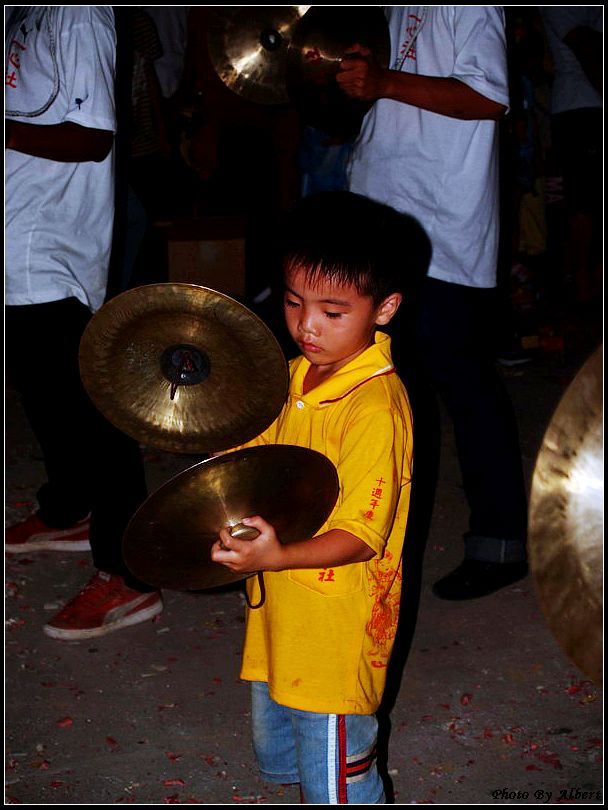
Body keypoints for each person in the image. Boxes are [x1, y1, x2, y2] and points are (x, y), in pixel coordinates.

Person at [210, 191, 430, 804]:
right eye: (292, 302)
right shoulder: (289, 375)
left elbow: (362, 536)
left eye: (334, 312)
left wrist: (275, 557)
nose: (307, 326)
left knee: (337, 776)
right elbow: (252, 464)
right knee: (285, 750)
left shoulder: (375, 409)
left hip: (336, 631)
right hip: (281, 612)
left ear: (384, 309)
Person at [337, 6, 529, 600]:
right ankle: (362, 534)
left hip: (441, 224)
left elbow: (490, 97)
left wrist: (385, 81)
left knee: (462, 382)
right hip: (378, 206)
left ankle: (499, 544)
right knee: (380, 385)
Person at [5, 6, 162, 639]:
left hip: (51, 247)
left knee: (95, 406)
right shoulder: (27, 14)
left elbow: (93, 136)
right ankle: (70, 506)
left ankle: (130, 574)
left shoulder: (79, 14)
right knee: (43, 389)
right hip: (16, 239)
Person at [539, 7, 602, 308]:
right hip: (579, 109)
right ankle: (583, 287)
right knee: (585, 199)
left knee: (590, 199)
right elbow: (585, 47)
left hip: (587, 108)